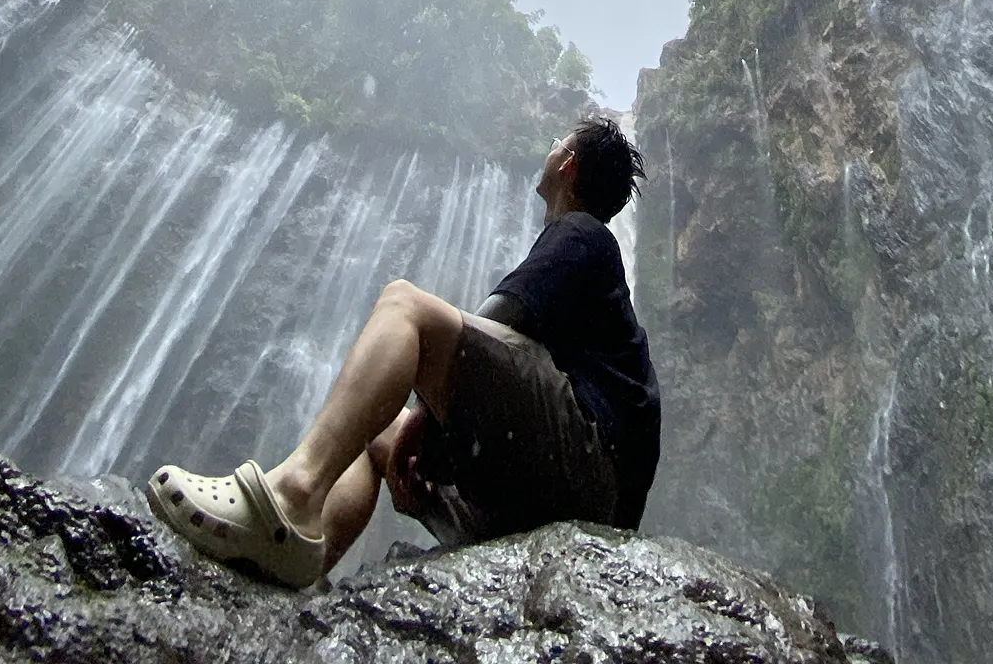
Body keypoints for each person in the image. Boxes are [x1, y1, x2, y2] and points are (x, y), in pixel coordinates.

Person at [145, 116, 660, 586]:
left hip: (587, 478)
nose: (548, 150)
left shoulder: (583, 233)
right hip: (549, 504)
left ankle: (292, 493)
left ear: (568, 163)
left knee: (405, 306)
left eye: (556, 143)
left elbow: (492, 324)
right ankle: (296, 561)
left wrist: (426, 411)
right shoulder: (586, 271)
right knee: (371, 430)